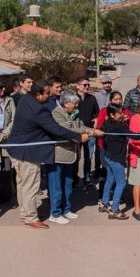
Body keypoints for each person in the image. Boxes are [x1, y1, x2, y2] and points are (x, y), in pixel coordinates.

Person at [6, 83, 87, 229]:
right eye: (46, 94)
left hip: (15, 149)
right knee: (31, 186)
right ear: (38, 95)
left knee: (22, 185)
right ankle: (31, 218)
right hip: (28, 153)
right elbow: (57, 130)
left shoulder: (25, 99)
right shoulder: (39, 111)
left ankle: (25, 213)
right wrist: (78, 137)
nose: (49, 96)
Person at [49, 90, 98, 225]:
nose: (77, 106)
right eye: (75, 104)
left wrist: (90, 130)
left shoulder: (74, 113)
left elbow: (80, 126)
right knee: (56, 186)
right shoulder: (56, 113)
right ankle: (55, 213)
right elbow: (66, 131)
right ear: (66, 103)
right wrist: (85, 133)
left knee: (68, 183)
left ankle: (66, 209)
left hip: (71, 155)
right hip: (59, 155)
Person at [99, 104, 140, 220]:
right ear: (112, 115)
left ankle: (104, 203)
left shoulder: (107, 123)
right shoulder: (118, 126)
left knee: (110, 179)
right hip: (116, 159)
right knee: (121, 183)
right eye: (120, 113)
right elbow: (134, 136)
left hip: (108, 157)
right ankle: (114, 210)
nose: (123, 115)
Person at [95, 91, 130, 195]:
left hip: (120, 147)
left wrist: (125, 121)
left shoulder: (126, 112)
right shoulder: (103, 111)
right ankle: (103, 195)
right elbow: (99, 127)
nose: (118, 101)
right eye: (116, 99)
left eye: (120, 99)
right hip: (105, 146)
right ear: (110, 100)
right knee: (107, 169)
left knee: (118, 171)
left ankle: (116, 194)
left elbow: (129, 129)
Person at [74, 77, 99, 188]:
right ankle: (74, 179)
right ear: (77, 86)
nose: (87, 87)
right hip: (77, 133)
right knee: (76, 157)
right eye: (84, 85)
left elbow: (97, 114)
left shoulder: (92, 98)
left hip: (89, 132)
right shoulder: (72, 98)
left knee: (88, 158)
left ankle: (87, 179)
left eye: (88, 84)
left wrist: (95, 121)